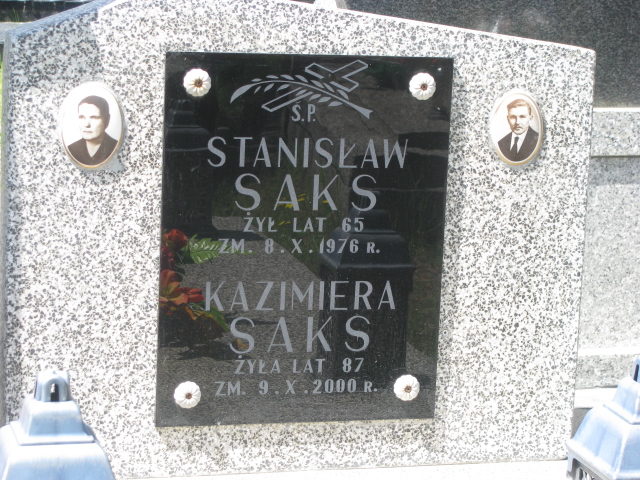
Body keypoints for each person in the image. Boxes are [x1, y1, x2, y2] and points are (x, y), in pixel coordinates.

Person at [67, 95, 118, 166]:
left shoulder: (116, 148)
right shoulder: (71, 150)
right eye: (82, 117)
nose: (86, 124)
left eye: (94, 118)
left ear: (107, 120)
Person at [497, 98, 539, 162]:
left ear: (530, 118)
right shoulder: (501, 143)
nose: (517, 122)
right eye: (513, 117)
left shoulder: (536, 140)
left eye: (522, 117)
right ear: (508, 119)